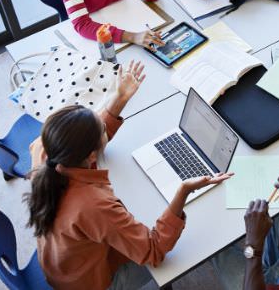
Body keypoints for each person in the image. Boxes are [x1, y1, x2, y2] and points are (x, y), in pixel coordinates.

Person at [24, 60, 234, 290]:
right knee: (191, 252)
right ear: (92, 156)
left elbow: (83, 141)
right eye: (102, 128)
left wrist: (120, 97)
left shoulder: (45, 149)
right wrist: (183, 190)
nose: (103, 122)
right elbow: (153, 250)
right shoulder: (92, 205)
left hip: (62, 263)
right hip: (89, 281)